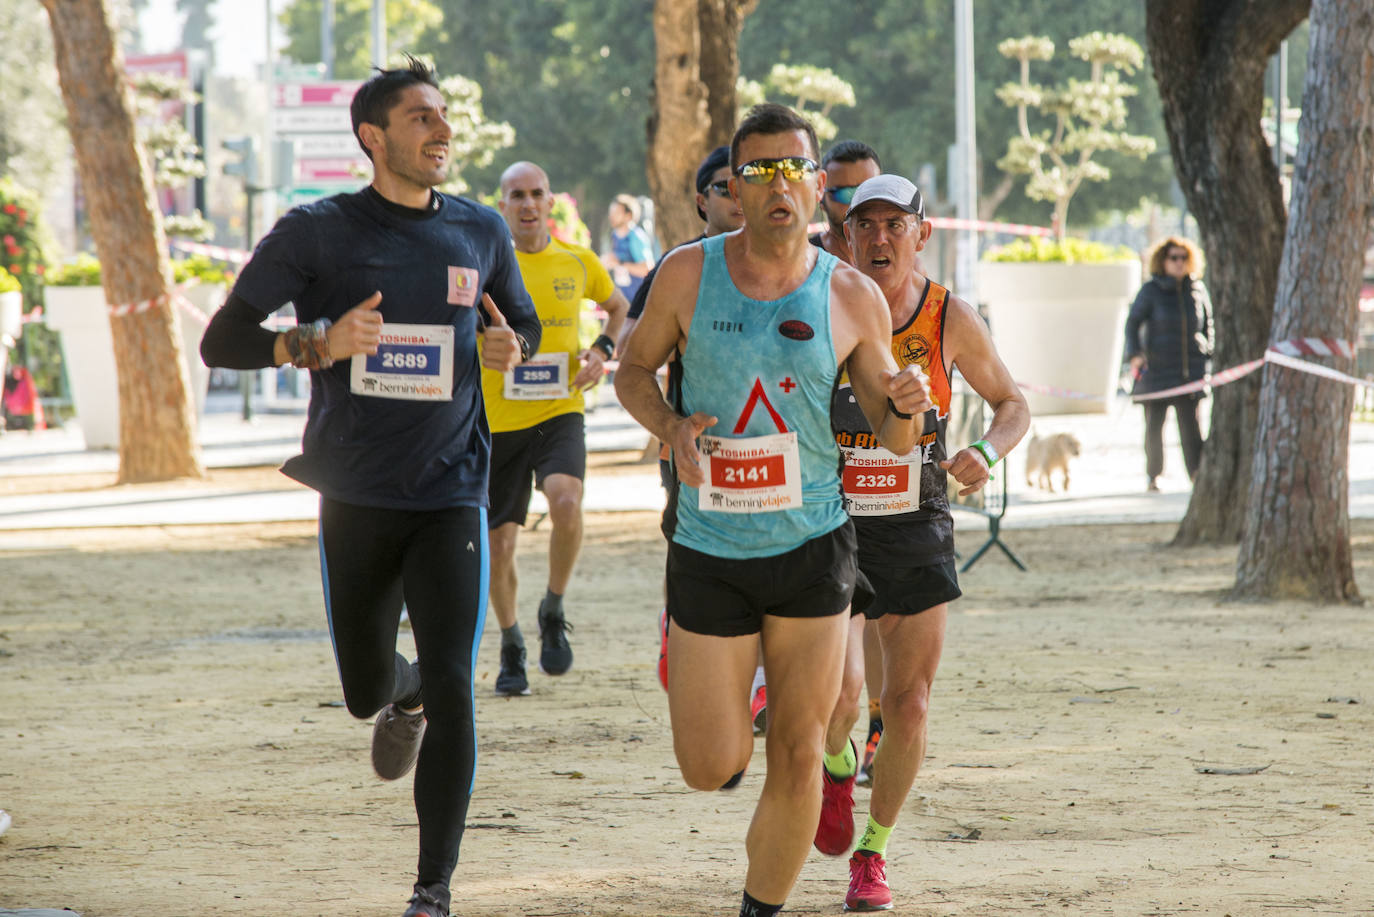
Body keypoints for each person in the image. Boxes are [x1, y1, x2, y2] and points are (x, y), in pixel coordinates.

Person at [199, 57, 541, 917]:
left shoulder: (478, 231)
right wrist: (314, 342)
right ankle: (405, 690)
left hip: (452, 487)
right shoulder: (318, 232)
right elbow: (223, 339)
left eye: (445, 114)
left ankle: (433, 889)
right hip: (354, 491)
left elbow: (520, 321)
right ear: (373, 137)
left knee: (460, 685)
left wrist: (514, 350)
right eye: (422, 116)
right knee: (364, 689)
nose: (443, 129)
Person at [614, 103, 933, 917]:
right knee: (708, 763)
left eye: (793, 166)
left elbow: (896, 439)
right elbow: (633, 370)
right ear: (735, 188)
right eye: (756, 171)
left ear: (818, 183)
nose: (776, 183)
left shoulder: (851, 295)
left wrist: (906, 403)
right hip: (711, 547)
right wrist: (669, 425)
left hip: (812, 548)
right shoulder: (690, 273)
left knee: (796, 750)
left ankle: (763, 904)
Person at [813, 174, 1029, 911]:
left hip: (915, 518)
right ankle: (838, 762)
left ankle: (871, 853)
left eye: (893, 225)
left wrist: (987, 452)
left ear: (920, 233)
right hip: (830, 517)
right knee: (839, 699)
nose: (878, 238)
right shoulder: (823, 302)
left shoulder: (948, 316)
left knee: (907, 704)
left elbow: (1013, 404)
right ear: (844, 237)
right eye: (863, 225)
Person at [619, 146, 767, 728]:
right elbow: (635, 345)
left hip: (776, 449)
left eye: (744, 184)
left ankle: (758, 690)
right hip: (694, 450)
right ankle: (676, 626)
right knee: (692, 553)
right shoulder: (680, 266)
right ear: (701, 199)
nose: (736, 196)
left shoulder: (791, 262)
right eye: (724, 187)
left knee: (768, 558)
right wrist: (667, 424)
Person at [486, 161, 629, 696]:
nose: (527, 204)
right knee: (500, 549)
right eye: (516, 195)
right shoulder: (485, 266)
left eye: (536, 194)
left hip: (558, 409)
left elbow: (618, 307)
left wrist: (602, 351)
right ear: (502, 206)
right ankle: (511, 645)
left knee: (567, 502)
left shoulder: (577, 259)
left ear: (551, 202)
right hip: (496, 421)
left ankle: (553, 607)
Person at [808, 138, 886, 781]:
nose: (855, 209)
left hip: (896, 494)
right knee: (838, 682)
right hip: (815, 496)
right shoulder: (798, 271)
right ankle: (832, 758)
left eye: (870, 195)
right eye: (842, 195)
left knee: (882, 650)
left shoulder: (895, 270)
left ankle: (874, 736)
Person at [1123, 236, 1212, 492]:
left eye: (1184, 258)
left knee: (1191, 428)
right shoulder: (1151, 290)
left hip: (1188, 372)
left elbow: (1208, 324)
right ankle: (1154, 476)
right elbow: (1132, 323)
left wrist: (1208, 350)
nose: (1179, 263)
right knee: (1154, 427)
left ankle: (1196, 474)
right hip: (1157, 372)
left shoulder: (1196, 289)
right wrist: (1135, 354)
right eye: (1174, 258)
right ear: (1163, 260)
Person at [809, 140, 882, 264]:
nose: (858, 204)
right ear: (821, 197)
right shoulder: (804, 264)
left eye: (869, 192)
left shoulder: (904, 264)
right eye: (844, 194)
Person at [602, 193, 655, 302]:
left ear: (628, 215)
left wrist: (620, 264)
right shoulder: (615, 235)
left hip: (639, 301)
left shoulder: (635, 237)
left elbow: (648, 268)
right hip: (623, 299)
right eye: (611, 212)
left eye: (616, 213)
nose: (611, 216)